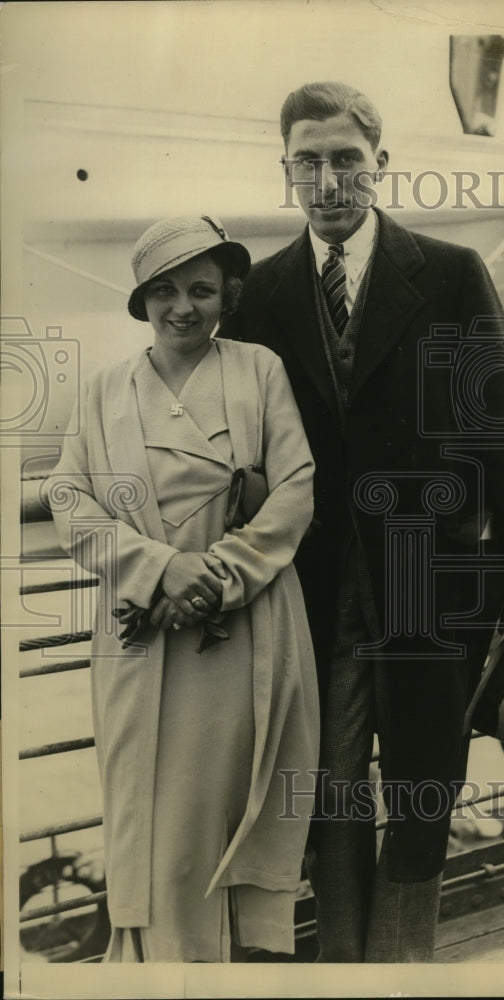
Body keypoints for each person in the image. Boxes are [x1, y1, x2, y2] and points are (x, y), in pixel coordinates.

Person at [219, 81, 504, 963]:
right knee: (329, 785)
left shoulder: (447, 275)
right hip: (316, 589)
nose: (327, 180)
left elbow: (501, 429)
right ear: (285, 167)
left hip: (428, 580)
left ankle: (402, 965)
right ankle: (340, 965)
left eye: (346, 160)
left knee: (422, 784)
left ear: (380, 166)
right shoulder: (263, 292)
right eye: (308, 161)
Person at [48, 215, 319, 962]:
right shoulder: (103, 391)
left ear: (227, 294)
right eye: (164, 290)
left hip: (241, 624)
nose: (183, 307)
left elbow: (295, 487)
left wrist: (216, 577)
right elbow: (69, 501)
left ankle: (227, 968)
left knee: (219, 813)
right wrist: (163, 567)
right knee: (153, 822)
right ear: (140, 298)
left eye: (202, 289)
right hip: (140, 629)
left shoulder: (258, 368)